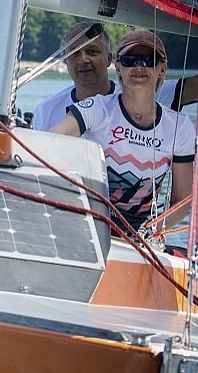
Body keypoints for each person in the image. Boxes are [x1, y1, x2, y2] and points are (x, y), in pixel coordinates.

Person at [50, 29, 195, 234]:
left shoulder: (180, 127)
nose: (139, 66)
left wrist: (149, 231)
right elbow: (49, 141)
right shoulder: (96, 109)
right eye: (129, 60)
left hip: (140, 235)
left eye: (149, 60)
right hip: (88, 228)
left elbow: (182, 200)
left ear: (162, 69)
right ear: (118, 68)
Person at [32, 20, 198, 131]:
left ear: (109, 59)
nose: (83, 60)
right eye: (74, 53)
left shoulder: (144, 94)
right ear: (66, 61)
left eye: (92, 52)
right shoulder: (46, 111)